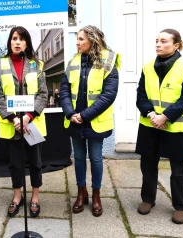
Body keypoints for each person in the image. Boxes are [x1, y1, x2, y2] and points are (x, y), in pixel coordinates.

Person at [135, 29, 183, 224]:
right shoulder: (147, 67)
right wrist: (151, 114)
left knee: (178, 167)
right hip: (150, 124)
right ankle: (148, 199)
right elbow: (141, 95)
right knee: (148, 163)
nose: (158, 44)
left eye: (163, 41)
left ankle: (180, 206)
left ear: (176, 45)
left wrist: (165, 117)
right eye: (156, 41)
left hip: (176, 127)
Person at [60, 25, 119, 217]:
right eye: (76, 39)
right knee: (78, 158)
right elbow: (64, 90)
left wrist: (84, 115)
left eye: (81, 39)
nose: (76, 42)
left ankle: (96, 195)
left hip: (94, 121)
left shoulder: (108, 61)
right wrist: (70, 113)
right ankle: (81, 193)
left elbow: (108, 95)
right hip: (75, 120)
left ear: (93, 40)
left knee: (95, 158)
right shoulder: (73, 62)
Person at [0, 26, 48, 218]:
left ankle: (34, 197)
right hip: (11, 124)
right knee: (15, 164)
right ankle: (17, 197)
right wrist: (14, 118)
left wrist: (27, 117)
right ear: (9, 41)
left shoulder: (37, 65)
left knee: (35, 162)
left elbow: (43, 94)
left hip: (32, 123)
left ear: (27, 43)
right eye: (14, 38)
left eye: (21, 39)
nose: (17, 42)